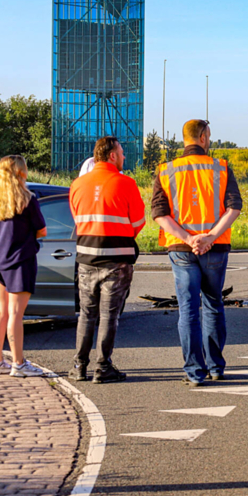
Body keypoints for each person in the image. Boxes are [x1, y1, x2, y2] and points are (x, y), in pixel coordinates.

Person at [153, 120, 242, 386]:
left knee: (188, 311)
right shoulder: (221, 167)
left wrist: (189, 238)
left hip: (181, 249)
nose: (211, 140)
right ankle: (216, 366)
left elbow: (159, 214)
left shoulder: (166, 170)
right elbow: (234, 207)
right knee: (213, 305)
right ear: (202, 137)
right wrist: (211, 237)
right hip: (215, 249)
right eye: (210, 136)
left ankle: (194, 371)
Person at [68, 136, 146, 383]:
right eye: (122, 152)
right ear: (112, 155)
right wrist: (120, 235)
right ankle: (103, 367)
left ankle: (79, 367)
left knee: (86, 314)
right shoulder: (126, 184)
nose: (124, 157)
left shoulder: (77, 185)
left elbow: (77, 219)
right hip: (117, 260)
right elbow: (137, 223)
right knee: (109, 316)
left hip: (86, 259)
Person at [0, 155, 48, 377]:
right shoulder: (28, 200)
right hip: (20, 262)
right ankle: (18, 363)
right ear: (21, 173)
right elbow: (42, 231)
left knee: (0, 313)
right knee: (16, 314)